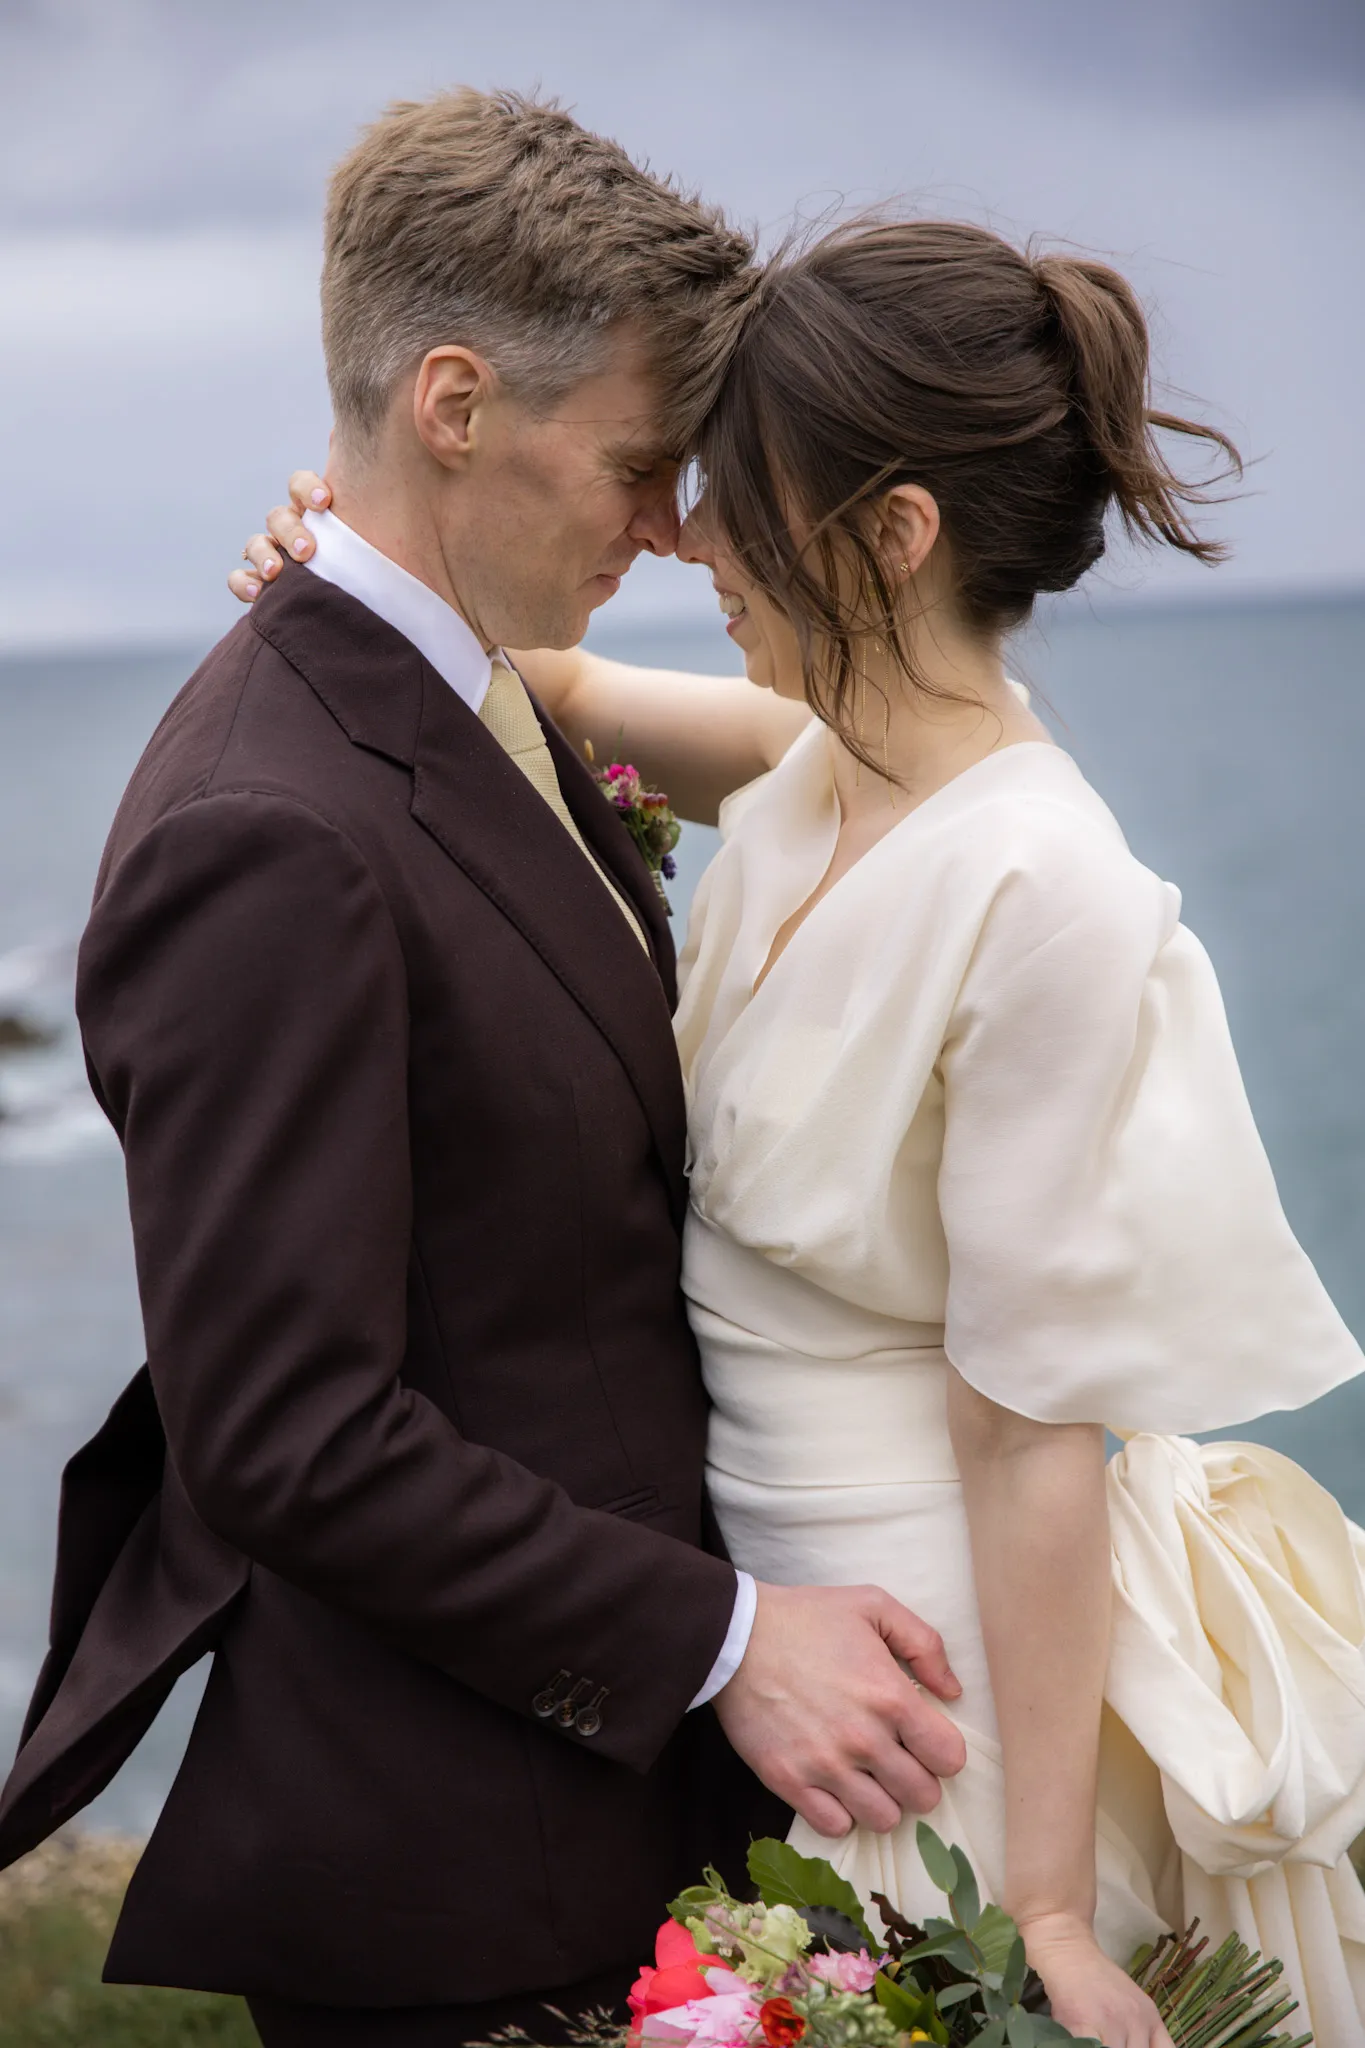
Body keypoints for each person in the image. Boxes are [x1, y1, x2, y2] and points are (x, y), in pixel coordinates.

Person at [239, 218, 1365, 2046]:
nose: (678, 537)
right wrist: (340, 552)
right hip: (765, 1638)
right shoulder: (805, 756)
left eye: (730, 497)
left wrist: (1057, 1906)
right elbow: (535, 686)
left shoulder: (1044, 886)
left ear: (895, 534)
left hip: (934, 1685)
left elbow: (1028, 1438)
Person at [0, 94, 972, 2048]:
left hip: (625, 1830)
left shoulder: (471, 705)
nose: (670, 530)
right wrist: (718, 1642)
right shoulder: (261, 829)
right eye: (635, 465)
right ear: (455, 401)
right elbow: (283, 1426)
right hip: (468, 1887)